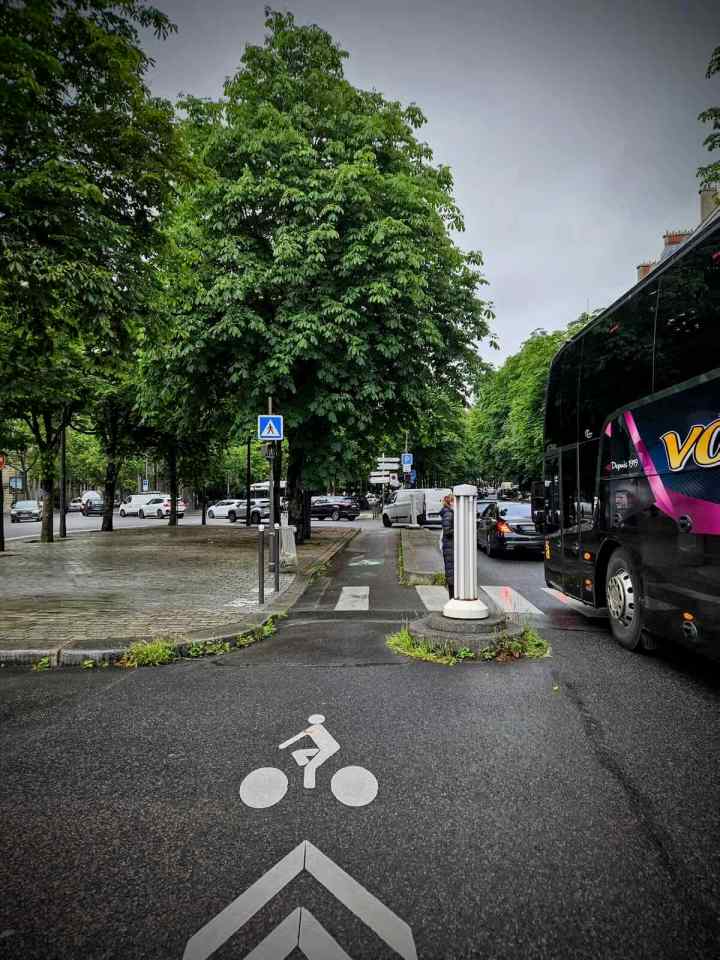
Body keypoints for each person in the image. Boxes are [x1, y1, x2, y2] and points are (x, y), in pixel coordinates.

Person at [439, 493, 455, 599]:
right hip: (450, 547)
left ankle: (452, 598)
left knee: (451, 573)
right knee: (451, 574)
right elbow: (447, 531)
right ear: (451, 502)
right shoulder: (448, 513)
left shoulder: (449, 512)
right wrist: (459, 527)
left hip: (449, 546)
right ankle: (452, 598)